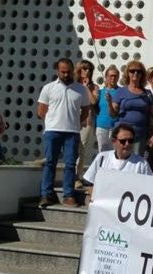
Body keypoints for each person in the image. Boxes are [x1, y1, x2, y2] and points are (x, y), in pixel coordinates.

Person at [84, 124, 152, 274]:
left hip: (128, 221)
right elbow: (88, 184)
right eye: (123, 141)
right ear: (114, 141)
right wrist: (97, 198)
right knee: (105, 257)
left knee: (125, 258)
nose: (127, 144)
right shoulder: (102, 159)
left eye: (131, 140)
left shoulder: (141, 164)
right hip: (105, 218)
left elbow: (150, 191)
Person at [37, 58, 90, 208]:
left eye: (68, 71)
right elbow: (41, 110)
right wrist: (52, 122)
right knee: (49, 163)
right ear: (57, 71)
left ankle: (68, 195)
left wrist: (75, 123)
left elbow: (86, 111)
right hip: (53, 131)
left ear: (73, 70)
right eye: (63, 71)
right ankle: (46, 195)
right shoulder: (48, 88)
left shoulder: (80, 89)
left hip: (72, 132)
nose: (66, 74)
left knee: (70, 164)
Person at [110, 60, 153, 157]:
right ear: (127, 73)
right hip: (122, 134)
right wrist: (108, 103)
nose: (135, 73)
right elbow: (113, 114)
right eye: (132, 71)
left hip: (140, 134)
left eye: (138, 71)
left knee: (136, 161)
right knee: (120, 159)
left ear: (142, 74)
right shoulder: (121, 91)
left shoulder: (147, 93)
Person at [74, 60, 100, 189]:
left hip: (87, 121)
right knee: (71, 148)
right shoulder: (73, 85)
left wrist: (86, 88)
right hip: (72, 120)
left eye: (89, 69)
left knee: (82, 149)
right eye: (84, 69)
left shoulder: (94, 87)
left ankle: (77, 177)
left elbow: (94, 101)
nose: (87, 72)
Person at [94, 65, 120, 152]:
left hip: (117, 127)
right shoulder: (100, 92)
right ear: (106, 77)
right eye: (111, 76)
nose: (113, 78)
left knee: (116, 152)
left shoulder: (121, 92)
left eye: (115, 76)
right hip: (102, 126)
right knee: (102, 152)